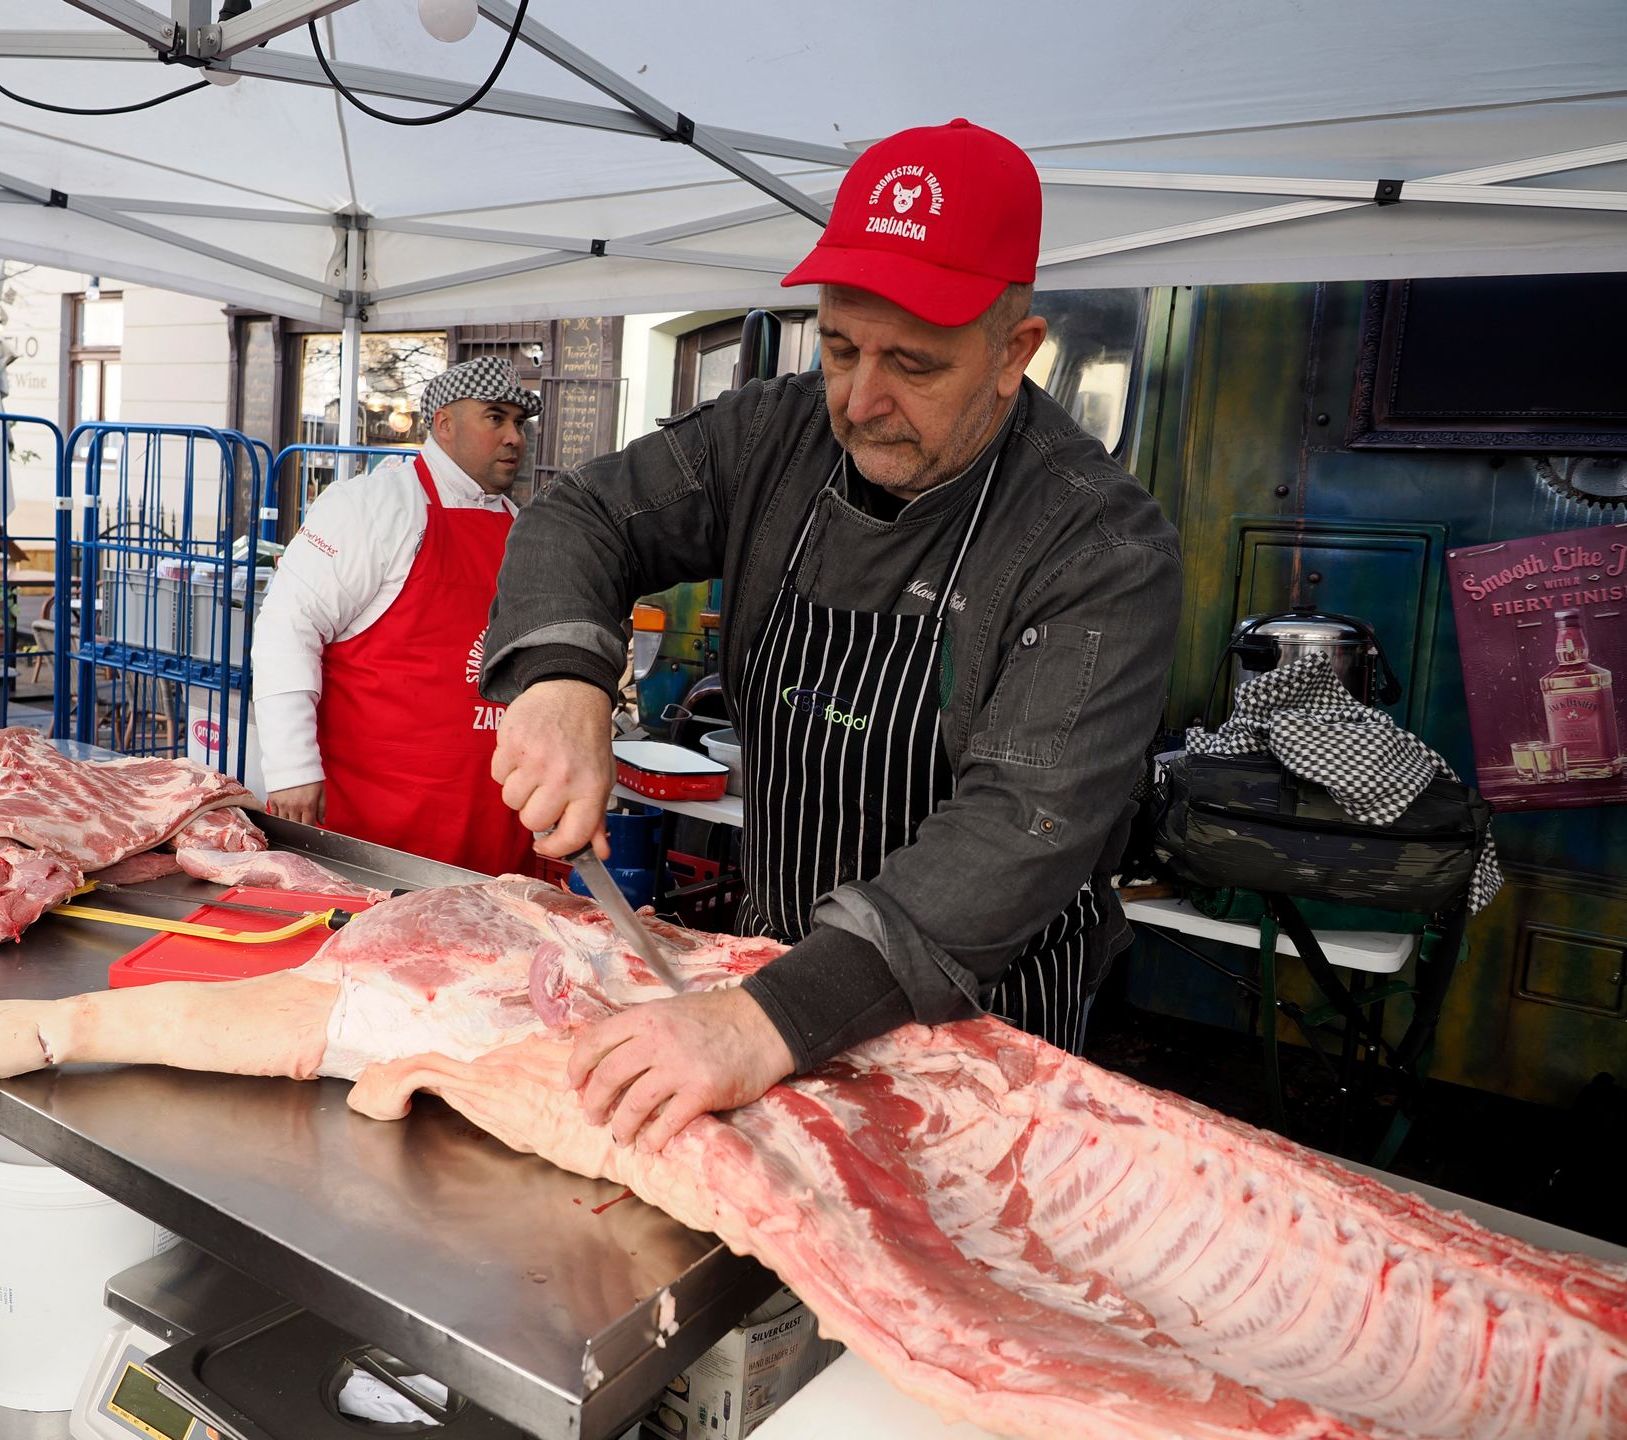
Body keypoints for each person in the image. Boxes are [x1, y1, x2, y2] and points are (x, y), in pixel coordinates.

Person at [483, 120, 1183, 1151]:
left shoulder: (1097, 546)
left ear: (1013, 353)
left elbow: (1020, 828)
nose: (860, 401)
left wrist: (765, 1021)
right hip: (767, 978)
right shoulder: (771, 435)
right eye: (841, 345)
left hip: (980, 1028)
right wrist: (560, 677)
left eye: (914, 363)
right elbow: (581, 516)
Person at [252, 355, 541, 875]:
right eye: (495, 417)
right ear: (445, 424)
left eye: (520, 423)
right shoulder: (373, 505)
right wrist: (292, 767)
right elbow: (286, 630)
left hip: (491, 821)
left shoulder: (521, 527)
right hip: (375, 825)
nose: (514, 437)